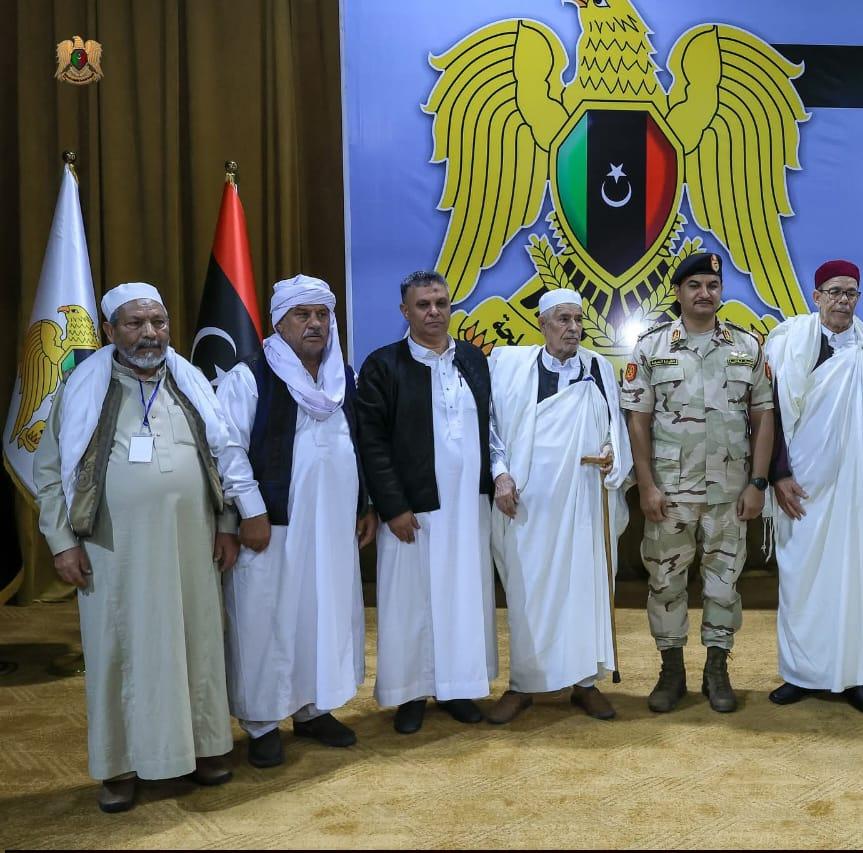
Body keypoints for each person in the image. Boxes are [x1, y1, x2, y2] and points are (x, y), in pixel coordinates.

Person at [33, 283, 255, 812]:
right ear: (109, 331)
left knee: (198, 647)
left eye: (158, 322)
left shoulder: (190, 383)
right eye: (135, 323)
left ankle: (203, 748)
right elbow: (49, 474)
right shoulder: (83, 390)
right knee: (121, 655)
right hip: (114, 553)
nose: (150, 333)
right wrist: (61, 543)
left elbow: (224, 459)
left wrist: (227, 524)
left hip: (192, 546)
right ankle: (120, 765)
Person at [216, 275, 376, 767]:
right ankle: (262, 721)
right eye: (302, 315)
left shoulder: (342, 377)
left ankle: (313, 708)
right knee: (265, 620)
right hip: (274, 526)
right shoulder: (251, 376)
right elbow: (228, 450)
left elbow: (357, 443)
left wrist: (363, 505)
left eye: (322, 314)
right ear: (278, 323)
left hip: (332, 525)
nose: (315, 324)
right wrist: (252, 512)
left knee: (323, 614)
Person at [620, 251, 774, 714]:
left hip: (729, 492)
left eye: (712, 285)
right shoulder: (651, 348)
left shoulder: (747, 347)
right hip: (670, 492)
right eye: (694, 285)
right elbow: (637, 421)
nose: (705, 293)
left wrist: (758, 482)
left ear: (720, 291)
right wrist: (646, 485)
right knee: (665, 582)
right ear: (678, 293)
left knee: (724, 584)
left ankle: (716, 669)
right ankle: (671, 670)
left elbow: (763, 417)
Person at [355, 270, 502, 734]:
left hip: (469, 509)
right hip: (414, 510)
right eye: (423, 305)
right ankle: (411, 693)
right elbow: (371, 443)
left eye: (441, 303)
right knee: (410, 603)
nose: (434, 312)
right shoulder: (383, 365)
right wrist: (393, 506)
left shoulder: (473, 359)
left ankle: (458, 687)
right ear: (405, 311)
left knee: (464, 597)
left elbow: (491, 426)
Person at [485, 289, 633, 724]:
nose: (573, 328)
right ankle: (523, 685)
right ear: (542, 323)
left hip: (585, 502)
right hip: (528, 505)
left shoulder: (598, 367)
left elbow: (615, 428)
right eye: (563, 319)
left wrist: (612, 454)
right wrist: (500, 475)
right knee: (528, 594)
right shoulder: (511, 368)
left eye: (578, 319)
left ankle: (584, 683)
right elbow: (491, 428)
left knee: (585, 589)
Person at [764, 259, 863, 713]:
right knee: (802, 581)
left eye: (851, 293)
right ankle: (800, 675)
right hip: (803, 488)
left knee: (858, 579)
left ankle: (852, 676)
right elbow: (769, 414)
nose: (843, 300)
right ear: (816, 296)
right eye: (834, 292)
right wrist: (778, 474)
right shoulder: (787, 342)